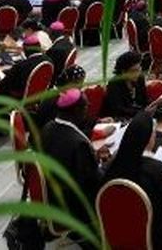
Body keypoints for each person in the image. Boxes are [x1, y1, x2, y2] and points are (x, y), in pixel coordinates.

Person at [101, 108, 162, 249]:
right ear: (148, 139)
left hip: (117, 240)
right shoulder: (158, 169)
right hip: (155, 239)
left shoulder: (110, 167)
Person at [36, 88, 112, 236]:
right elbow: (94, 181)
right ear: (77, 110)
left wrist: (93, 156)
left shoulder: (49, 127)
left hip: (54, 195)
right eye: (86, 106)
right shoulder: (77, 143)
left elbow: (69, 161)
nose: (87, 110)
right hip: (73, 206)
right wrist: (110, 163)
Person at [104, 50, 150, 119]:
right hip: (120, 119)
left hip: (139, 115)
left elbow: (144, 100)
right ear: (123, 72)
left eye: (139, 69)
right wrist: (142, 111)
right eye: (133, 71)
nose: (137, 73)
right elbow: (119, 110)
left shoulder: (140, 78)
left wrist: (154, 105)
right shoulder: (114, 84)